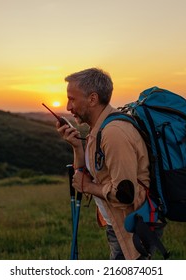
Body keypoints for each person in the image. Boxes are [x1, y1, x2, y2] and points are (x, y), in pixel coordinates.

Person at [57, 67, 157, 260]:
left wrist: (88, 186)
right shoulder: (98, 129)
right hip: (119, 224)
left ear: (92, 99)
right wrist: (77, 147)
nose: (68, 107)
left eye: (72, 99)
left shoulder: (113, 133)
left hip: (133, 228)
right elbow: (84, 174)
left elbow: (124, 193)